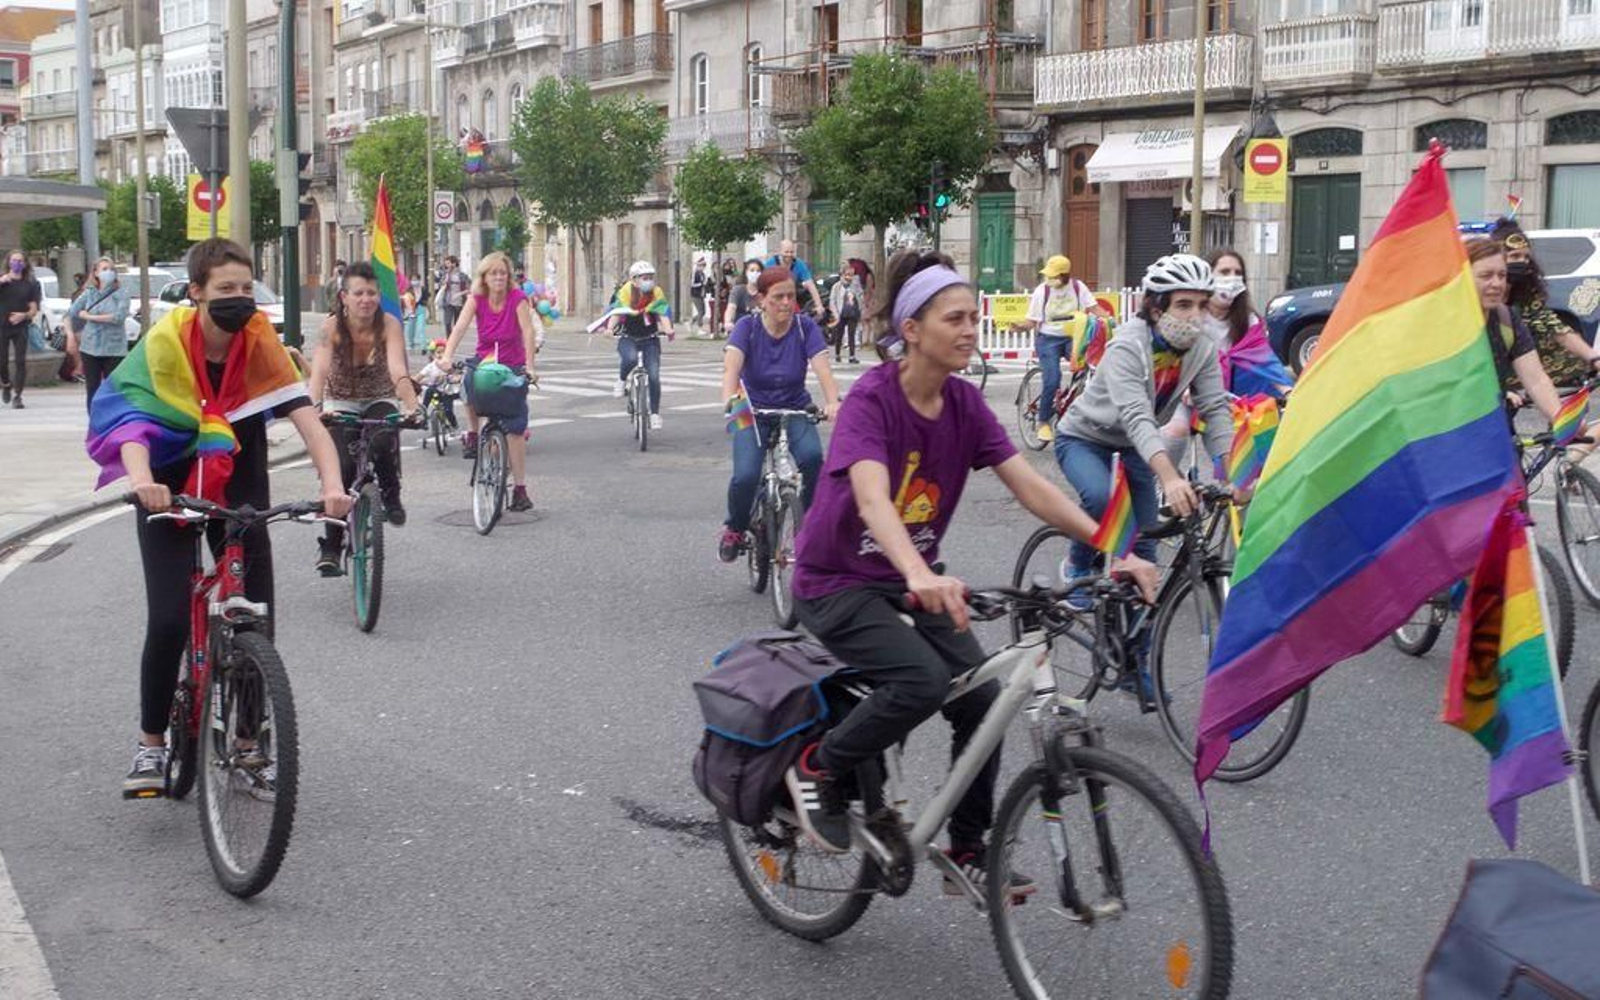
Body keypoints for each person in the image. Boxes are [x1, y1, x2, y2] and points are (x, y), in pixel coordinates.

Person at [781, 249, 1159, 875]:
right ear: (911, 330)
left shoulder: (964, 404)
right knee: (921, 682)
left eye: (969, 318)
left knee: (982, 698)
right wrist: (919, 572)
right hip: (837, 581)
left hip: (911, 582)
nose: (968, 329)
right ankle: (816, 764)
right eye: (953, 319)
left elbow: (1029, 485)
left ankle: (967, 847)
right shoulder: (873, 400)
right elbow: (874, 499)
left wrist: (1114, 550)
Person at [86, 238, 350, 796]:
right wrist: (143, 483)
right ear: (197, 293)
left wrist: (332, 487)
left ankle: (250, 744)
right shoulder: (163, 345)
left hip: (240, 482)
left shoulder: (259, 344)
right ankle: (151, 743)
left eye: (246, 289)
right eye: (226, 289)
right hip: (168, 484)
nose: (238, 299)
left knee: (254, 615)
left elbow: (307, 421)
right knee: (168, 620)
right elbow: (130, 424)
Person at [1055, 254, 1234, 597]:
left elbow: (1214, 408)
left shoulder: (1202, 349)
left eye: (1201, 305)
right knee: (1098, 496)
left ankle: (1138, 644)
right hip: (1084, 437)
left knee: (1147, 538)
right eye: (1183, 305)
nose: (1195, 316)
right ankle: (1077, 565)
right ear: (1155, 308)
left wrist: (1230, 471)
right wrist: (1169, 477)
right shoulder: (1128, 344)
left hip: (1135, 447)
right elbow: (1136, 415)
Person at [717, 266, 842, 562]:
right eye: (778, 297)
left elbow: (823, 367)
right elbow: (731, 370)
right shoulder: (748, 327)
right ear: (761, 299)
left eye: (791, 296)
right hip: (751, 409)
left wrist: (832, 401)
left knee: (813, 460)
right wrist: (729, 403)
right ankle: (735, 527)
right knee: (746, 475)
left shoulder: (804, 327)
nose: (787, 302)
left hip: (794, 406)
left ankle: (807, 525)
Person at [307, 261, 420, 574]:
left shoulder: (390, 325)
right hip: (340, 401)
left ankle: (391, 494)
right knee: (340, 467)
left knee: (383, 438)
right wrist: (314, 410)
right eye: (358, 293)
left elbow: (398, 370)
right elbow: (318, 373)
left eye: (371, 293)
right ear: (344, 296)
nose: (365, 299)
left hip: (379, 396)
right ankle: (330, 546)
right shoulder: (332, 327)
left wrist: (412, 406)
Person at [439, 251, 541, 511]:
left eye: (503, 273)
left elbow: (528, 332)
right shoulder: (477, 299)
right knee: (467, 382)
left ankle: (520, 489)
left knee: (516, 427)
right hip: (486, 360)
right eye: (493, 273)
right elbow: (460, 327)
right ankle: (474, 433)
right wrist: (447, 356)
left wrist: (529, 366)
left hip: (512, 363)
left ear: (508, 278)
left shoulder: (517, 298)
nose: (498, 277)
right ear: (483, 277)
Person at [1491, 218, 1600, 388]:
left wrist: (1594, 358)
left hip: (1514, 368)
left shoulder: (1526, 292)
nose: (1522, 262)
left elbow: (1555, 328)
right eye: (1514, 256)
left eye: (1526, 257)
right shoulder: (1476, 293)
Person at [1466, 238, 1564, 425]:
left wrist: (1561, 419)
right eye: (1486, 276)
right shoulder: (1442, 322)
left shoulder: (1506, 319)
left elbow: (1536, 379)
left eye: (1502, 275)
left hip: (1495, 431)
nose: (1497, 284)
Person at [1014, 255, 1107, 443]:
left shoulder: (1078, 288)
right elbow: (1032, 320)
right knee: (1053, 379)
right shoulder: (1042, 291)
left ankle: (1076, 408)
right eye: (1048, 275)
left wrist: (1110, 321)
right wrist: (1021, 326)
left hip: (1073, 337)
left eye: (1054, 276)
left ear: (1065, 275)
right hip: (1048, 339)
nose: (1050, 279)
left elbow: (1095, 308)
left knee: (1091, 368)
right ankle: (1043, 422)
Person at [1206, 248, 1295, 399]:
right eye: (1225, 272)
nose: (1232, 278)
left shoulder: (1249, 321)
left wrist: (1287, 390)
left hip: (1238, 403)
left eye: (1238, 273)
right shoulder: (1194, 318)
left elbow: (1264, 362)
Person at [606, 260, 675, 430]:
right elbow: (617, 311)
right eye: (645, 277)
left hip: (650, 338)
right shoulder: (626, 292)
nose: (649, 281)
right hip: (628, 337)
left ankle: (655, 414)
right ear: (634, 279)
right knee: (629, 359)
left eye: (651, 277)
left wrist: (668, 329)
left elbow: (663, 312)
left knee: (653, 376)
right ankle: (621, 380)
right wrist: (609, 328)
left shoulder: (656, 292)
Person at [67, 257, 131, 412]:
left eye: (111, 269)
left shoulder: (121, 293)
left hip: (114, 348)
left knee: (113, 390)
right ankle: (94, 425)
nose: (108, 272)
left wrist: (89, 317)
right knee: (93, 390)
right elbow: (71, 314)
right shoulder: (89, 293)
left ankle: (112, 424)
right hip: (91, 347)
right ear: (95, 273)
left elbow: (118, 317)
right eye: (104, 269)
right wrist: (70, 336)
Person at [0, 249, 41, 409]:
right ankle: (6, 383)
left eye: (20, 261)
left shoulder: (31, 283)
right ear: (8, 262)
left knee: (20, 361)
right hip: (2, 325)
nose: (17, 263)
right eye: (14, 260)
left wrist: (23, 316)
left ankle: (18, 395)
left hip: (21, 327)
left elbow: (33, 309)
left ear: (25, 264)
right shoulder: (3, 281)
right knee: (2, 361)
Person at [765, 240, 825, 321]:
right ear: (780, 251)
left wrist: (819, 305)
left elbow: (810, 285)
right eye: (786, 252)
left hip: (790, 299)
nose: (789, 255)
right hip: (774, 299)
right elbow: (763, 284)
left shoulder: (799, 264)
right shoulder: (770, 264)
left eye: (791, 252)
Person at [415, 338, 458, 430]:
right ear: (433, 355)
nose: (440, 355)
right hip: (434, 390)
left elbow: (456, 375)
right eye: (438, 352)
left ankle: (454, 424)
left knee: (448, 410)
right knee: (429, 393)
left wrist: (455, 378)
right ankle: (424, 416)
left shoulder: (449, 365)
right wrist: (413, 382)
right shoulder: (430, 366)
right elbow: (420, 376)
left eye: (443, 352)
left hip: (446, 392)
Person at [828, 265, 865, 364]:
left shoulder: (855, 286)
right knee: (839, 334)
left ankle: (852, 356)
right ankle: (837, 354)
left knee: (851, 334)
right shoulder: (837, 286)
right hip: (841, 313)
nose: (849, 277)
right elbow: (832, 300)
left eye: (852, 275)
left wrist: (860, 308)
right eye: (847, 275)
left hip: (852, 313)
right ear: (842, 275)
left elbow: (861, 298)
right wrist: (835, 313)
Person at [723, 258, 764, 331]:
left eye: (758, 271)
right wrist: (728, 321)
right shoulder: (738, 290)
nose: (755, 273)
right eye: (752, 270)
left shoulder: (765, 291)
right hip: (740, 329)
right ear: (746, 272)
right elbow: (731, 307)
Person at [438, 256, 471, 335]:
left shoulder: (463, 276)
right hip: (447, 301)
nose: (447, 266)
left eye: (448, 263)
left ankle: (454, 339)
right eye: (446, 264)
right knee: (447, 322)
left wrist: (460, 294)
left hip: (459, 302)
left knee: (457, 324)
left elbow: (469, 288)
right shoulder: (445, 275)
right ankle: (449, 339)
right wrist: (445, 280)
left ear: (454, 264)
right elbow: (441, 285)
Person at [401, 285, 429, 355]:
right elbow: (405, 300)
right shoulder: (408, 290)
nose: (415, 281)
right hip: (411, 311)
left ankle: (423, 347)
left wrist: (428, 309)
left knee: (421, 328)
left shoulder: (422, 289)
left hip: (421, 310)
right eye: (413, 279)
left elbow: (427, 299)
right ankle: (411, 344)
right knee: (410, 330)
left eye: (416, 279)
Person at [689, 257, 707, 334]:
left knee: (703, 311)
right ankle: (700, 328)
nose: (703, 267)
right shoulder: (695, 273)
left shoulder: (702, 274)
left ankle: (691, 321)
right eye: (702, 265)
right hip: (695, 294)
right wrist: (701, 284)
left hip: (701, 294)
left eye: (704, 266)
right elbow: (692, 284)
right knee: (700, 311)